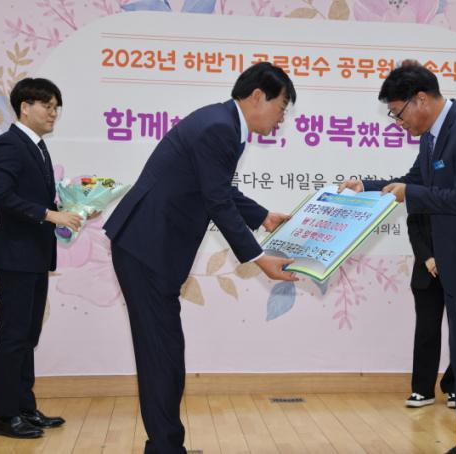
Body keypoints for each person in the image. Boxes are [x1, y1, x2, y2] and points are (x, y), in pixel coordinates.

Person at [104, 62, 299, 454]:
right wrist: (258, 257)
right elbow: (217, 201)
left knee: (165, 352)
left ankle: (165, 445)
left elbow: (218, 190)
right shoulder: (219, 128)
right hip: (146, 248)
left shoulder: (222, 123)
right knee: (161, 355)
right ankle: (165, 448)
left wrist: (262, 216)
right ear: (257, 96)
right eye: (281, 107)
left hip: (148, 247)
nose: (282, 118)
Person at [339, 61, 456, 453]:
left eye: (398, 113)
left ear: (421, 99)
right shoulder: (432, 138)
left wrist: (410, 194)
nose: (398, 123)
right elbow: (416, 181)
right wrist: (367, 186)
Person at [0, 78, 82, 438]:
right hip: (14, 256)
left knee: (28, 336)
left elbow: (34, 198)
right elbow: (1, 196)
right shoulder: (8, 144)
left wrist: (72, 206)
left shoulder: (37, 147)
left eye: (56, 107)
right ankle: (6, 417)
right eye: (47, 105)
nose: (53, 113)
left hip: (35, 256)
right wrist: (49, 214)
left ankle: (25, 408)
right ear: (25, 107)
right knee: (13, 337)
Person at [405, 213, 455, 409]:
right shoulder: (420, 195)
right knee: (426, 332)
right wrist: (427, 258)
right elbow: (414, 227)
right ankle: (423, 390)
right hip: (426, 274)